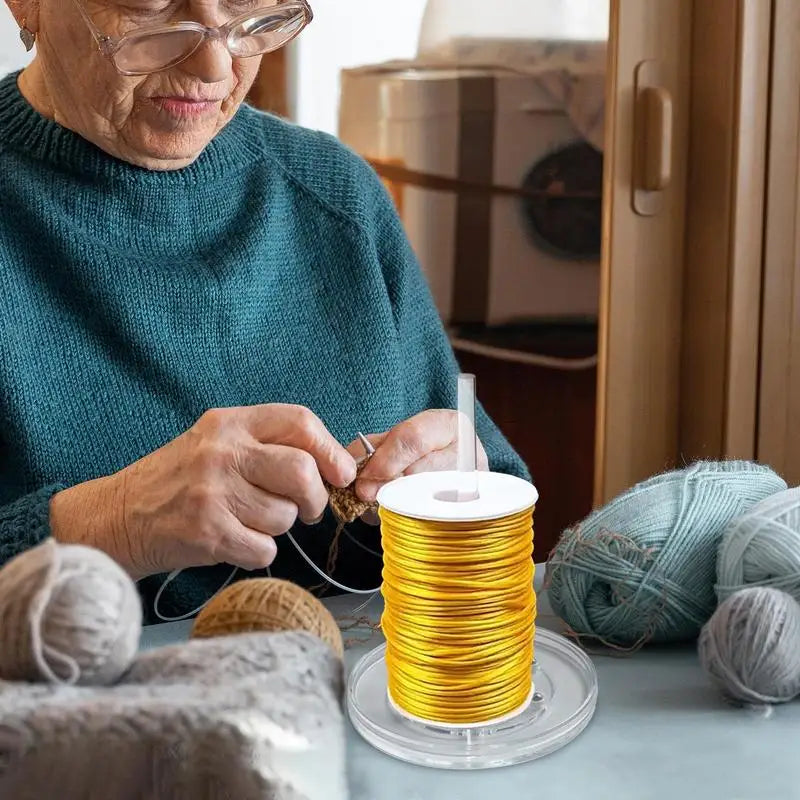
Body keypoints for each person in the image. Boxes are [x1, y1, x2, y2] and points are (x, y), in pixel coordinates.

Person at [0, 0, 529, 622]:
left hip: (365, 675)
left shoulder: (334, 192)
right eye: (154, 7)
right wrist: (111, 524)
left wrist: (461, 486)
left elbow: (497, 501)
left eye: (249, 9)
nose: (214, 65)